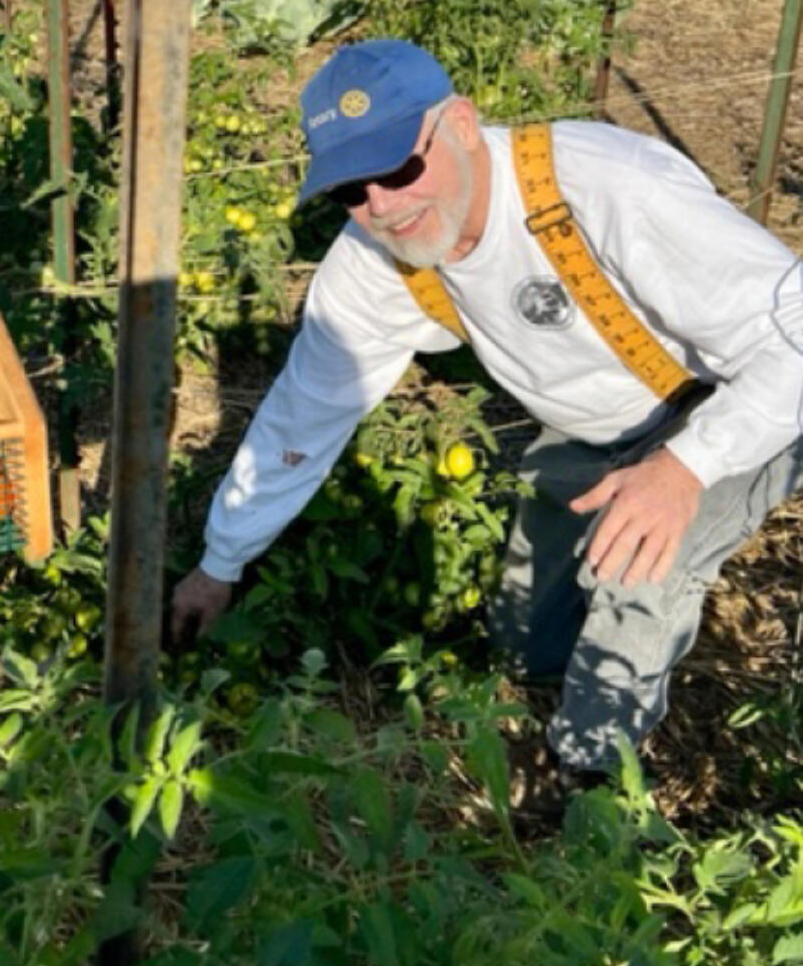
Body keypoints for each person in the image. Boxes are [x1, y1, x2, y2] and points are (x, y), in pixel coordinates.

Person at [172, 39, 803, 788]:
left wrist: (684, 467)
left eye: (401, 168)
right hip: (593, 431)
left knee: (639, 575)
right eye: (351, 188)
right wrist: (221, 562)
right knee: (522, 645)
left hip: (738, 402)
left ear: (462, 125)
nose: (381, 205)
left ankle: (591, 801)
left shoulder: (610, 186)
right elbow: (305, 413)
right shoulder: (374, 263)